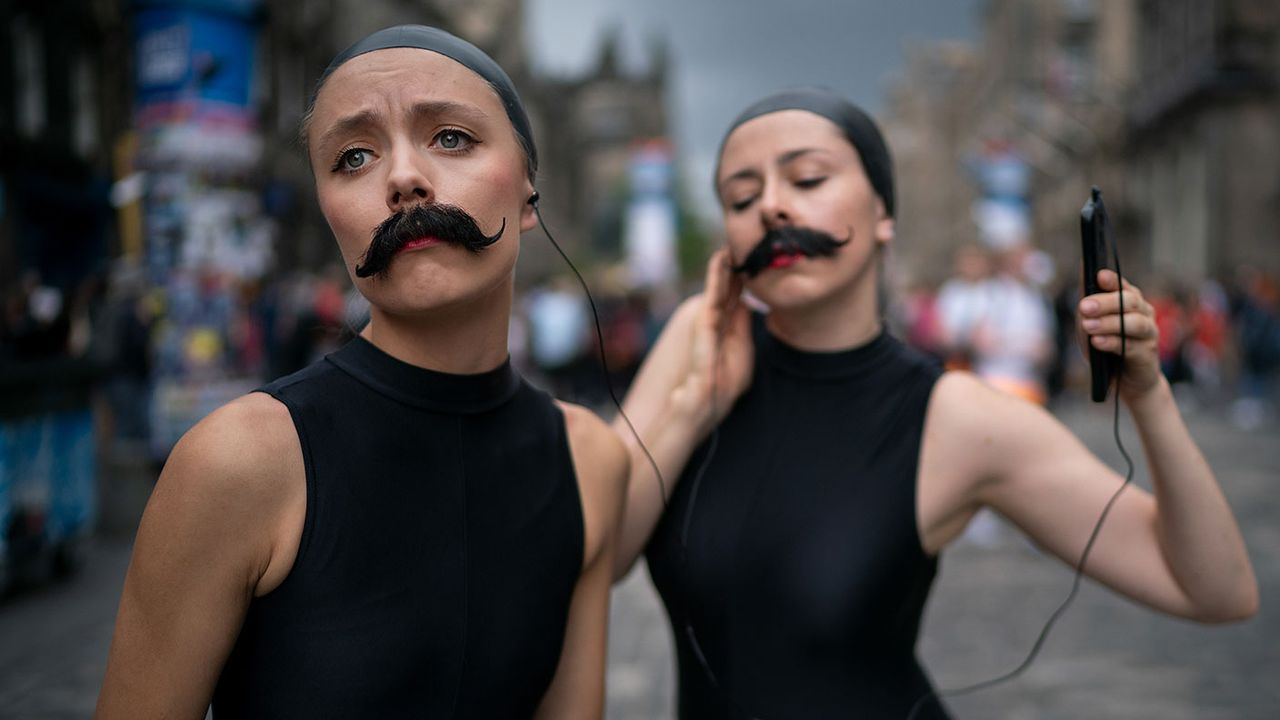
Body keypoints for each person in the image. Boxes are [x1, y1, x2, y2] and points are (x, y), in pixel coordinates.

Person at [611, 88, 1257, 719]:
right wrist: (692, 405)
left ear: (883, 212)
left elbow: (1214, 589)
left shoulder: (954, 416)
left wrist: (1149, 396)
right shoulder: (699, 336)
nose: (773, 207)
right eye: (741, 196)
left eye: (808, 179)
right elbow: (598, 555)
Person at [97, 25, 627, 719]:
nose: (403, 177)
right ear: (328, 209)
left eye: (451, 138)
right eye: (354, 157)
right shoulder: (241, 463)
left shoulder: (589, 460)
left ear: (528, 189)